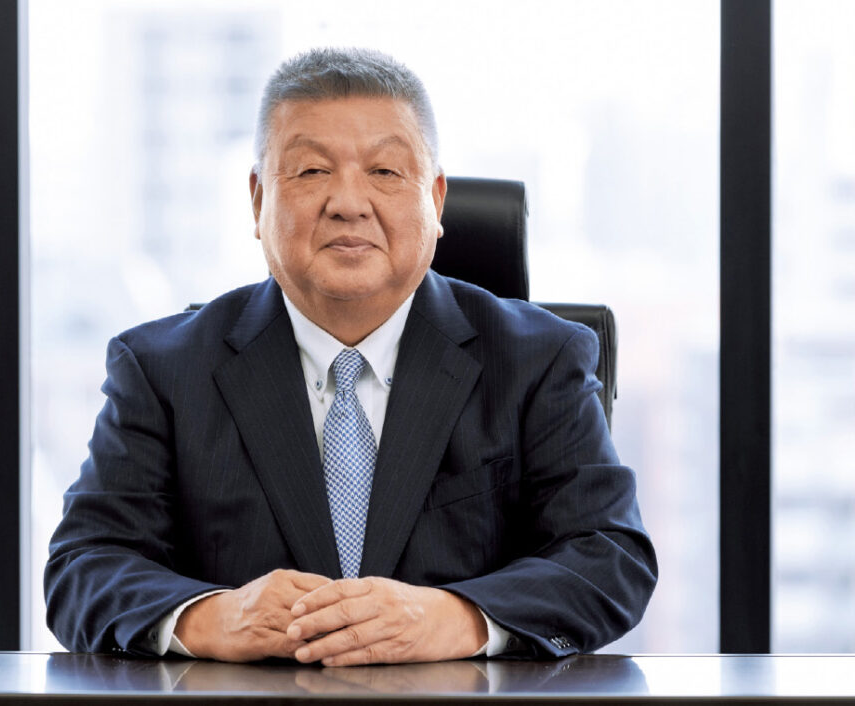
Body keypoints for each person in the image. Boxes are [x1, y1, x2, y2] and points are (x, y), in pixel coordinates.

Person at [45, 47, 657, 665]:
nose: (348, 202)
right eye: (311, 171)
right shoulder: (161, 369)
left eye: (385, 171)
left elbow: (610, 557)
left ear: (436, 200)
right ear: (258, 200)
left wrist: (459, 619)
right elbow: (83, 565)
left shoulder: (538, 359)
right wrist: (211, 619)